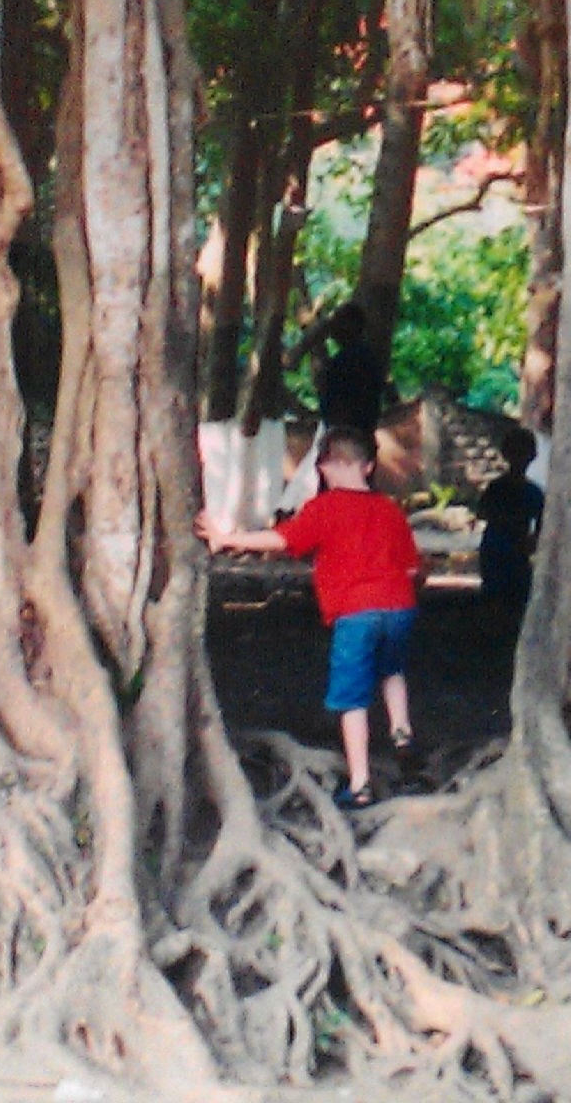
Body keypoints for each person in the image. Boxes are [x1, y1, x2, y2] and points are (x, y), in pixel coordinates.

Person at [200, 424, 419, 809]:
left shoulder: (325, 508)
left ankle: (360, 783)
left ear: (324, 467)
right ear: (369, 466)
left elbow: (283, 539)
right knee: (392, 670)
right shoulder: (390, 509)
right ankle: (401, 732)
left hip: (355, 612)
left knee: (352, 699)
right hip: (399, 607)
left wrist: (229, 538)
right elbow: (413, 568)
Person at [475, 424, 545, 611]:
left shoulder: (496, 487)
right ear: (533, 456)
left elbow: (482, 513)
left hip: (495, 549)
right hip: (514, 552)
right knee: (515, 603)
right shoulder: (533, 492)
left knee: (494, 602)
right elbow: (541, 528)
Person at [308, 302, 386, 435]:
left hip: (347, 432)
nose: (334, 330)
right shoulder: (366, 356)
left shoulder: (351, 359)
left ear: (352, 326)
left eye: (339, 323)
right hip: (357, 431)